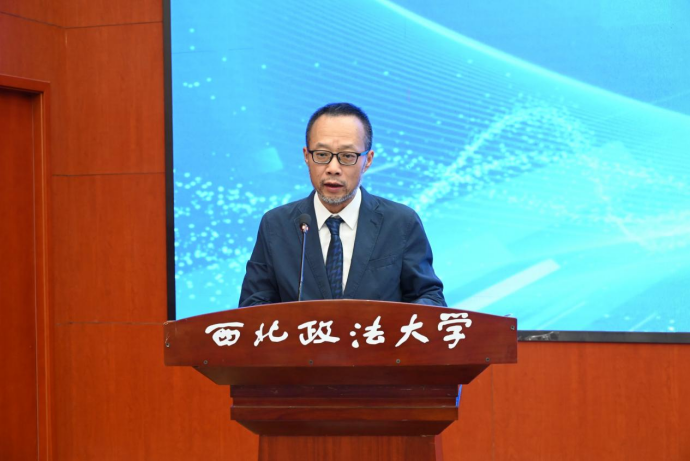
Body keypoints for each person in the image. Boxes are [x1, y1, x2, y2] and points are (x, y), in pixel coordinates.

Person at [239, 102, 446, 307]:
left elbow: (430, 297)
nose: (333, 168)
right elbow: (253, 305)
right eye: (322, 155)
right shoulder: (276, 225)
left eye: (347, 156)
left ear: (368, 160)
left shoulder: (400, 222)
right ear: (306, 156)